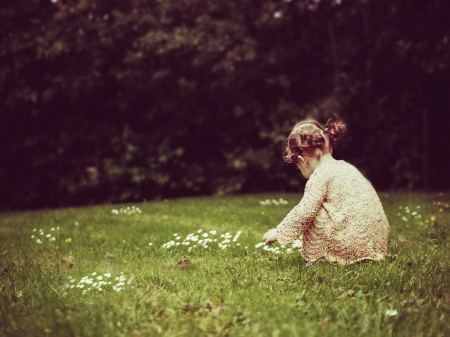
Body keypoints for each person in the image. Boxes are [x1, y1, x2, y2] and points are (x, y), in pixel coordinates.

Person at [263, 115, 390, 265]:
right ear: (328, 146)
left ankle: (324, 258)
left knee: (314, 210)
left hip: (349, 244)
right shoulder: (348, 168)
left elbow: (305, 211)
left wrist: (279, 232)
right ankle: (363, 254)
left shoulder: (320, 175)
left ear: (302, 160)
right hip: (376, 244)